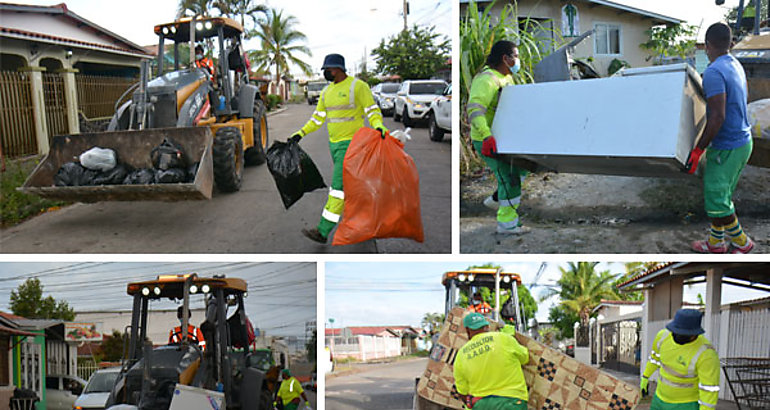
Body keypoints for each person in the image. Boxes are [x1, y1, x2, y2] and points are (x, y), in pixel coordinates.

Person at [290, 53, 387, 244]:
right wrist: (300, 133)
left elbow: (372, 110)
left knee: (338, 188)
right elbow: (317, 119)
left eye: (329, 69)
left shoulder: (358, 86)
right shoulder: (326, 92)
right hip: (334, 145)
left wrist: (378, 125)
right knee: (356, 187)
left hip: (353, 145)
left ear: (338, 69)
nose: (326, 72)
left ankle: (323, 230)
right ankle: (368, 223)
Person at [685, 22, 754, 254]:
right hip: (743, 142)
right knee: (721, 198)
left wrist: (698, 149)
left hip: (727, 147)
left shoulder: (714, 72)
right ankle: (716, 243)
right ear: (730, 44)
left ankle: (743, 243)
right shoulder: (735, 64)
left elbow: (717, 117)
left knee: (717, 200)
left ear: (707, 46)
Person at [467, 40, 529, 235]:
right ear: (505, 58)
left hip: (504, 138)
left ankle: (496, 199)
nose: (518, 61)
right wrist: (486, 136)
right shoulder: (486, 80)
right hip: (488, 140)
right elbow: (474, 109)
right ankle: (507, 224)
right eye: (516, 56)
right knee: (509, 179)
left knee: (519, 172)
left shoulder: (508, 78)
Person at [640, 309, 720, 410]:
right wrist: (645, 377)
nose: (677, 336)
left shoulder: (706, 355)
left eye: (683, 333)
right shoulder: (663, 337)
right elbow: (654, 359)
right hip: (659, 399)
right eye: (676, 331)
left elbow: (709, 389)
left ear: (695, 334)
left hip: (686, 405)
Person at [453, 313, 529, 410]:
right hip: (511, 401)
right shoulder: (504, 338)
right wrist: (512, 338)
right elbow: (525, 358)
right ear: (487, 326)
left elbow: (462, 391)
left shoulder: (461, 355)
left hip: (482, 405)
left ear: (467, 330)